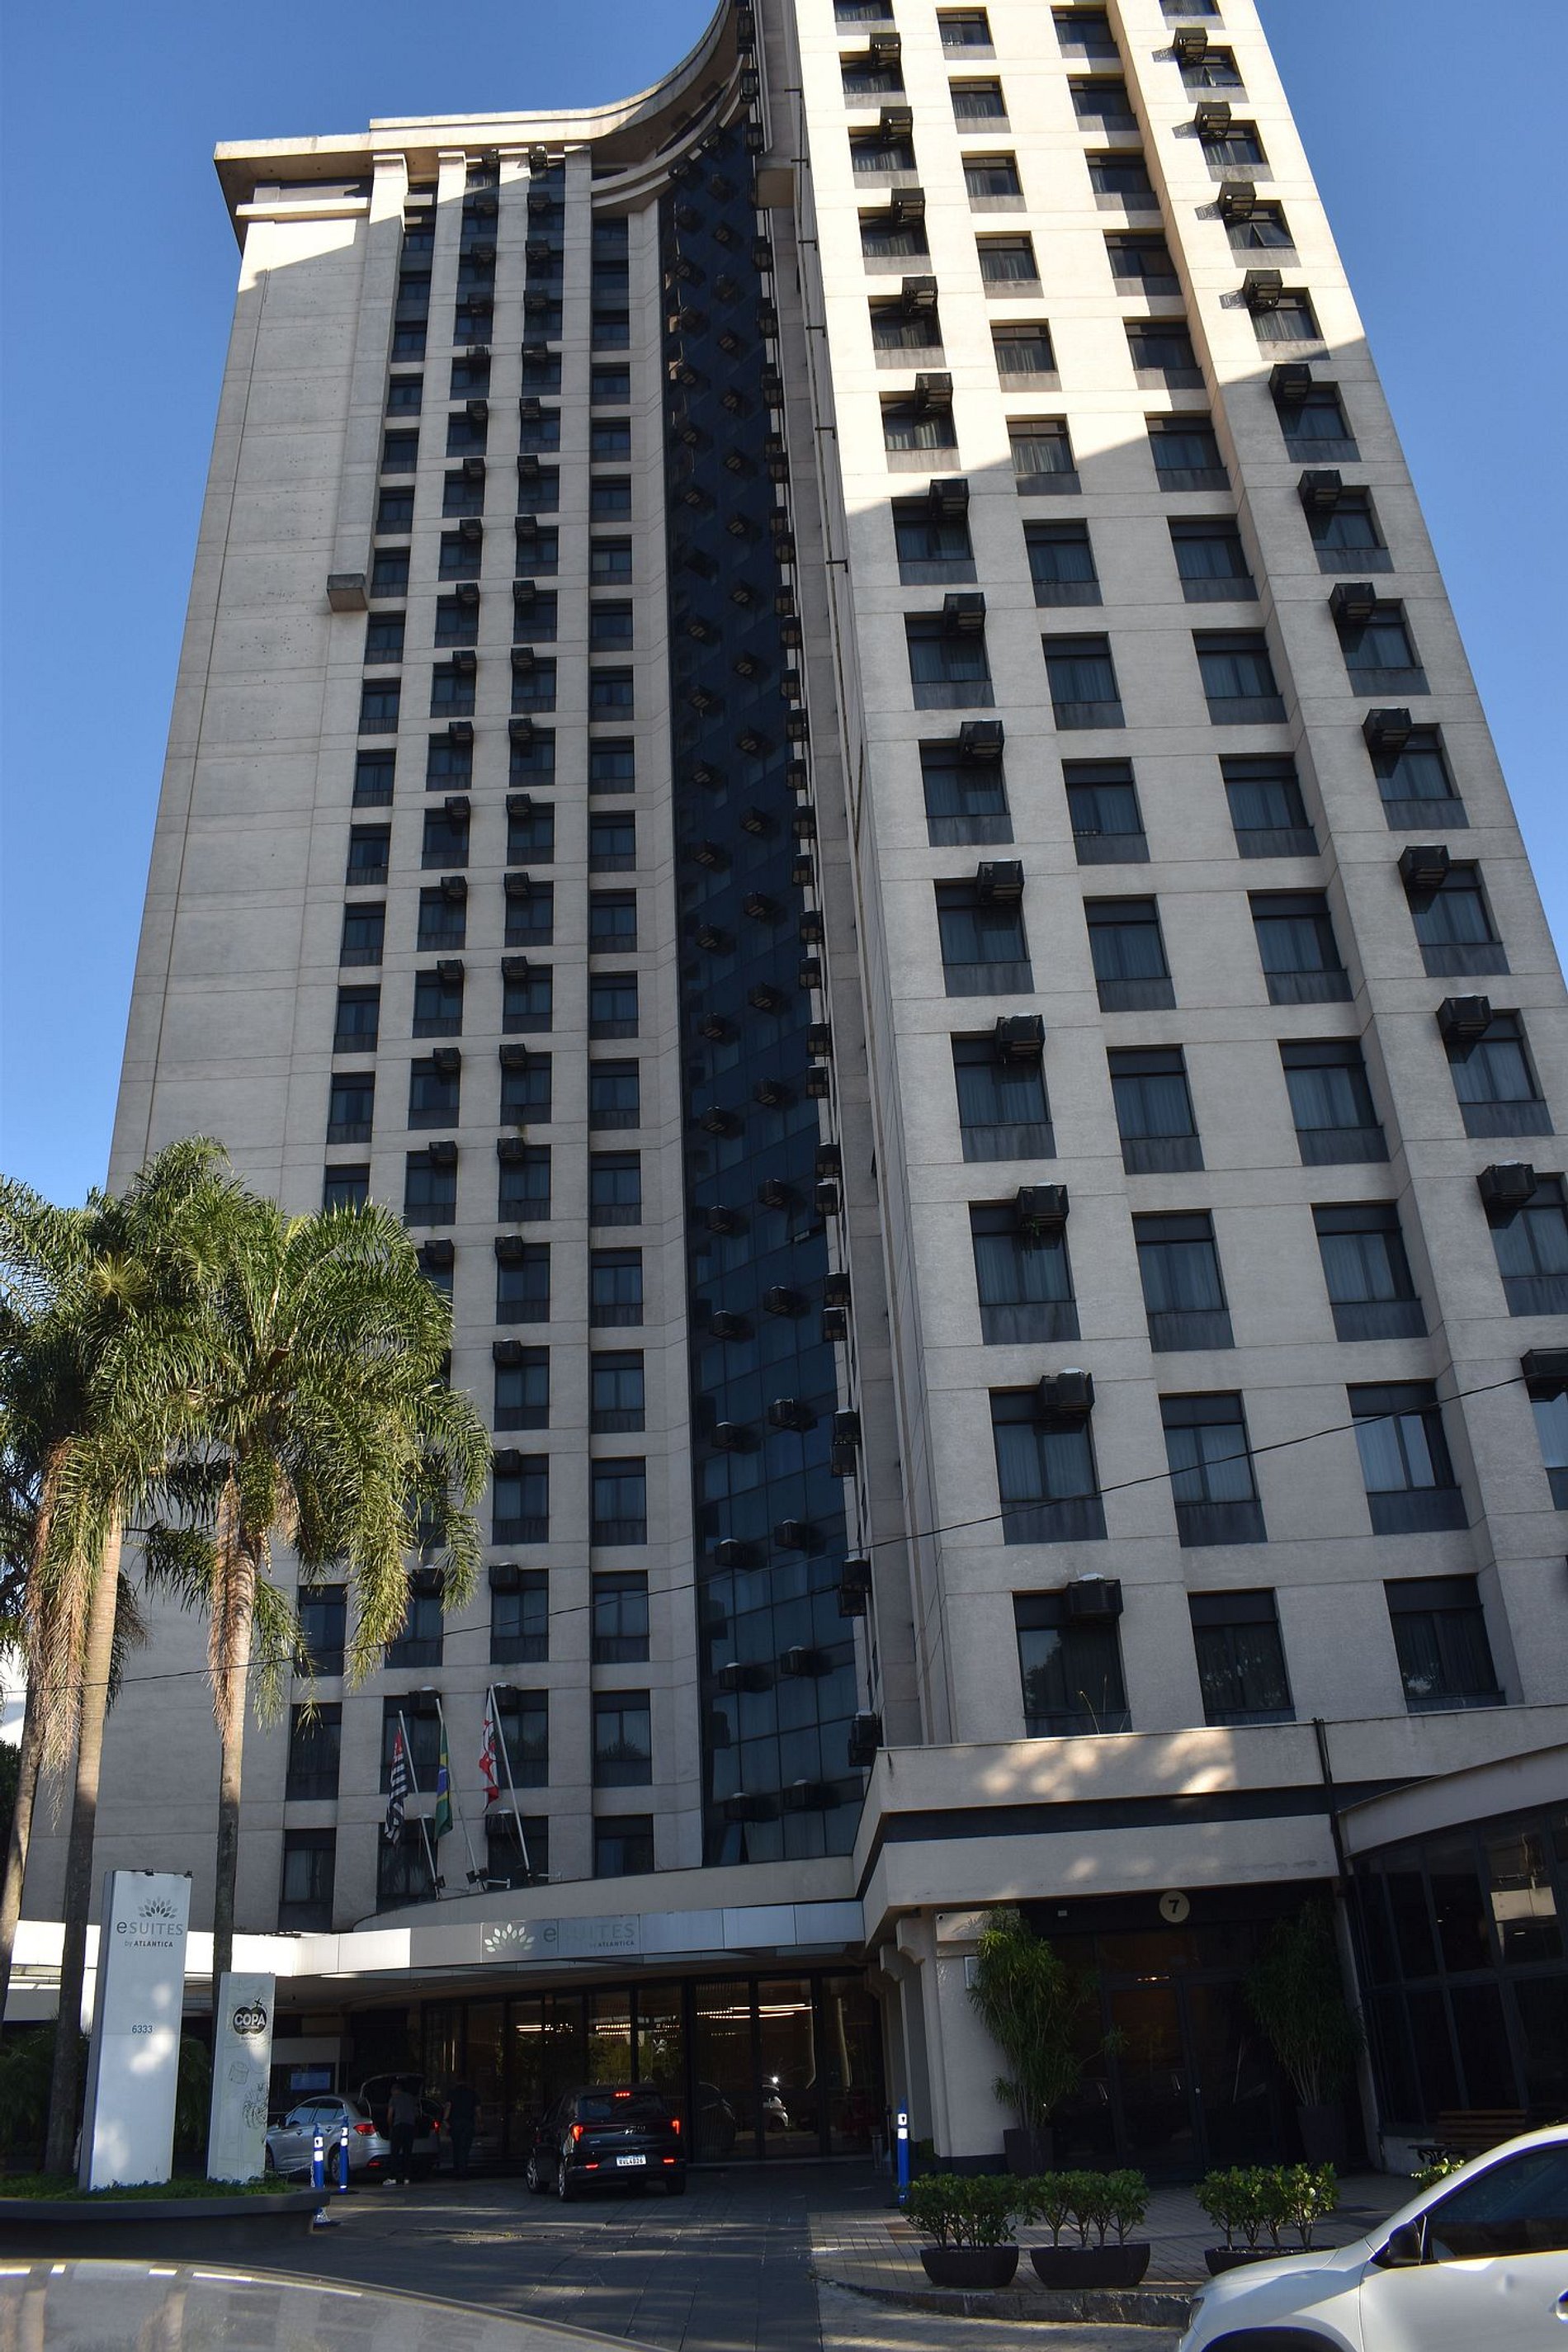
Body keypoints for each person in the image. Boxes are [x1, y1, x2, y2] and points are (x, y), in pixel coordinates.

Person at [386, 2077, 420, 2186]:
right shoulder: (411, 2098)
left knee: (395, 2153)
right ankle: (406, 2177)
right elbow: (417, 2114)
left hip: (398, 2126)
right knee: (407, 2153)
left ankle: (393, 2177)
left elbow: (390, 2115)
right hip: (410, 2127)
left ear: (393, 2090)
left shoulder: (394, 2098)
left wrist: (390, 2127)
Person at [445, 2078, 479, 2179]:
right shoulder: (472, 2093)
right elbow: (478, 2109)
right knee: (465, 2148)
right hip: (468, 2122)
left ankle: (457, 2170)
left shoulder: (452, 2093)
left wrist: (445, 2119)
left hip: (455, 2123)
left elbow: (448, 2106)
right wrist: (480, 2121)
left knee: (456, 2147)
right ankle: (463, 2170)